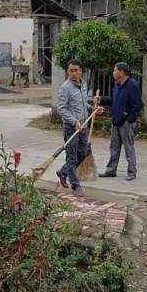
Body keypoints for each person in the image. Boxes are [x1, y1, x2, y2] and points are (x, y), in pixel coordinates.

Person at [56, 59, 101, 198]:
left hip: (84, 125)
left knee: (83, 153)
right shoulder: (65, 88)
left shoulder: (83, 84)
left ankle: (63, 172)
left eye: (76, 70)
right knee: (72, 157)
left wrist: (93, 108)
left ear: (81, 71)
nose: (74, 73)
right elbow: (61, 108)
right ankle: (75, 185)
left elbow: (82, 105)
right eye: (71, 70)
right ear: (68, 71)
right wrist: (74, 121)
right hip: (72, 127)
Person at [98, 62, 142, 181]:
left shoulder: (133, 85)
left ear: (121, 72)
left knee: (128, 147)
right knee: (114, 147)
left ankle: (132, 171)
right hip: (116, 120)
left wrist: (129, 120)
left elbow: (136, 106)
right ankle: (111, 170)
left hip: (126, 122)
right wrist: (101, 99)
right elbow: (113, 100)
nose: (113, 72)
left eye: (114, 70)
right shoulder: (117, 84)